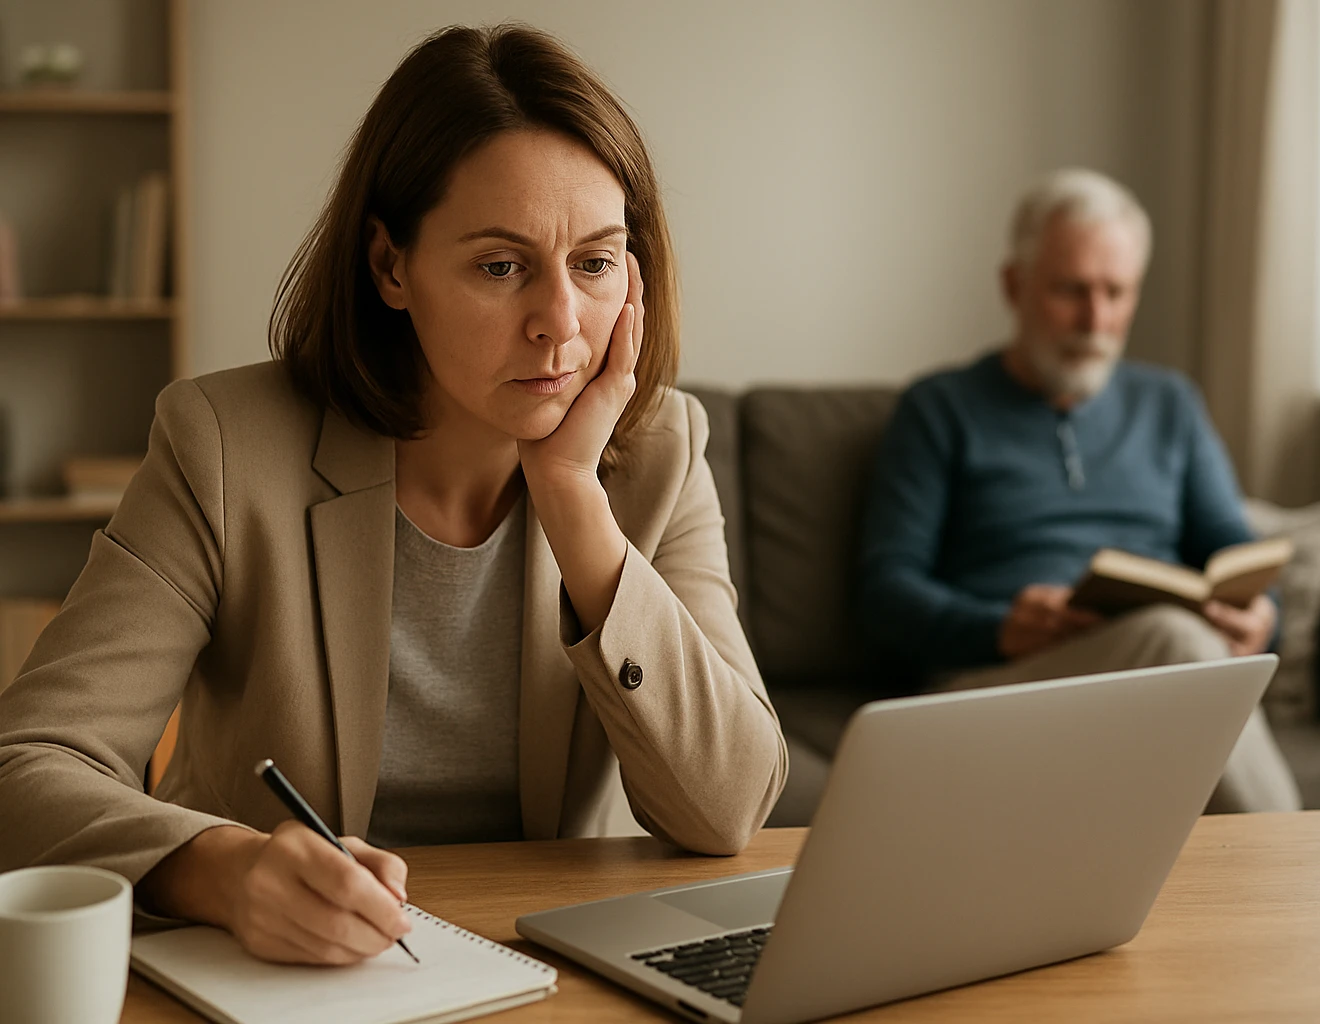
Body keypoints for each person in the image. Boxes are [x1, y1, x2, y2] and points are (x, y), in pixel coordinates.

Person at [0, 25, 786, 967]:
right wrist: (223, 871)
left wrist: (574, 498)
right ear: (390, 267)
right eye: (501, 267)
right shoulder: (222, 444)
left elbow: (731, 805)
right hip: (289, 978)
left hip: (554, 971)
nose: (560, 323)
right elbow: (28, 766)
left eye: (595, 262)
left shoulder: (663, 450)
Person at [856, 168, 1300, 814]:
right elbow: (882, 592)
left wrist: (1264, 614)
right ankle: (1301, 885)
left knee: (1184, 647)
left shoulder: (1170, 404)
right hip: (998, 684)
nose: (1098, 318)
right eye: (1073, 291)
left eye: (1117, 293)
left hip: (1151, 681)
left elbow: (1231, 548)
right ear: (1014, 285)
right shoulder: (939, 409)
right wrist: (1000, 627)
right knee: (1180, 645)